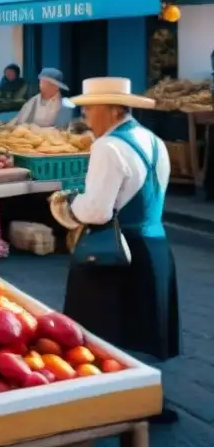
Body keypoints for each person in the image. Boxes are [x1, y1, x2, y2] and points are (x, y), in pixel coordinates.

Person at [48, 77, 178, 424]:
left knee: (102, 328)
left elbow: (97, 211)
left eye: (91, 108)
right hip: (155, 244)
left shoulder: (107, 147)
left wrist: (68, 207)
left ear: (112, 109)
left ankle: (103, 401)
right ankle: (150, 399)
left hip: (114, 251)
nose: (87, 115)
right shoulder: (153, 141)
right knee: (144, 323)